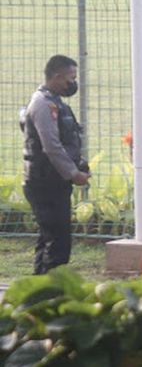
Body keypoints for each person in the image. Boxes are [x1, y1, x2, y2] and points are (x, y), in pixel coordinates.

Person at [22, 55, 91, 274]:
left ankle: (39, 290)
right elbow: (51, 146)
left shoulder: (53, 101)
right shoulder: (43, 103)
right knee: (58, 243)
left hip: (52, 181)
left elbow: (64, 141)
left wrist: (78, 164)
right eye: (70, 78)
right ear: (57, 76)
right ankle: (51, 293)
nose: (72, 83)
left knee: (49, 238)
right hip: (45, 183)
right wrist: (72, 173)